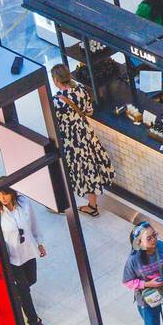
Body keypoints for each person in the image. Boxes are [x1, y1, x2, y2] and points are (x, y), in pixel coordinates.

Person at [49, 64, 114, 217]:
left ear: (56, 80)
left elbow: (54, 124)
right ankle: (92, 206)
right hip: (85, 134)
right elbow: (89, 111)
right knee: (90, 168)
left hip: (70, 141)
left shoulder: (57, 102)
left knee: (68, 170)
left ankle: (63, 204)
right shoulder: (81, 91)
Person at [0, 183, 49, 325]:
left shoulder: (24, 203)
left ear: (12, 193)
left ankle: (12, 296)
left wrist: (40, 243)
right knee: (25, 291)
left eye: (5, 194)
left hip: (29, 251)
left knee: (32, 279)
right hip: (11, 258)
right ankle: (34, 322)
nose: (2, 198)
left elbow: (34, 225)